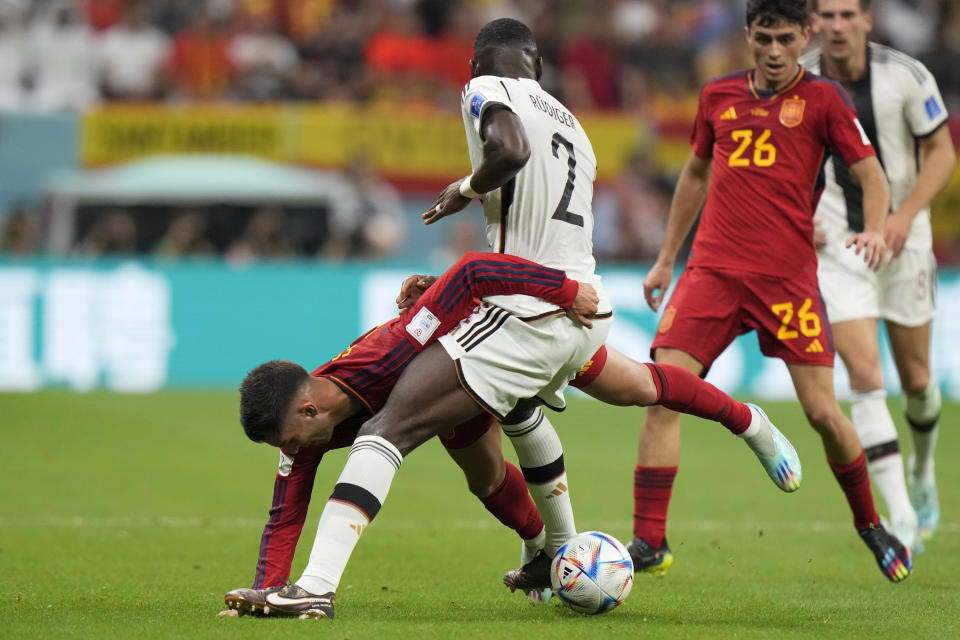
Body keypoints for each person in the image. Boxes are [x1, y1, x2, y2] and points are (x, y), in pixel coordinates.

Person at [230, 18, 800, 619]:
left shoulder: (485, 91)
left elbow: (510, 152)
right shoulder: (576, 127)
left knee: (382, 435)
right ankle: (746, 426)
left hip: (531, 306)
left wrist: (467, 188)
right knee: (625, 385)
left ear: (477, 67)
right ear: (540, 71)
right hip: (577, 301)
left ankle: (318, 586)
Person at [222, 251, 801, 617]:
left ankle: (748, 420)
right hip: (453, 392)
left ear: (306, 408)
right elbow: (285, 511)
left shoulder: (384, 355)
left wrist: (560, 292)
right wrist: (261, 590)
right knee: (488, 479)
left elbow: (467, 277)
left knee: (634, 388)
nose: (290, 455)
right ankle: (545, 552)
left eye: (289, 442)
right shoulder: (308, 428)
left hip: (507, 344)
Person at [633, 0, 911, 583]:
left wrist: (875, 229)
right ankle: (648, 541)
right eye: (765, 39)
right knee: (663, 393)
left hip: (787, 282)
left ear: (805, 35)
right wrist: (665, 260)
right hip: (710, 273)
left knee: (823, 414)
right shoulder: (717, 96)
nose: (776, 51)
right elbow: (694, 175)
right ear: (748, 37)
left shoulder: (825, 101)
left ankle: (870, 524)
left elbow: (872, 175)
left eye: (787, 39)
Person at [801, 0, 955, 552]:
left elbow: (941, 151)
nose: (837, 26)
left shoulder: (906, 76)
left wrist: (906, 215)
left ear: (868, 20)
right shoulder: (800, 80)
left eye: (848, 15)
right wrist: (802, 216)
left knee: (916, 382)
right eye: (828, 16)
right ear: (814, 22)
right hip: (840, 244)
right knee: (865, 375)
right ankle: (901, 516)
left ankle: (922, 468)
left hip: (904, 241)